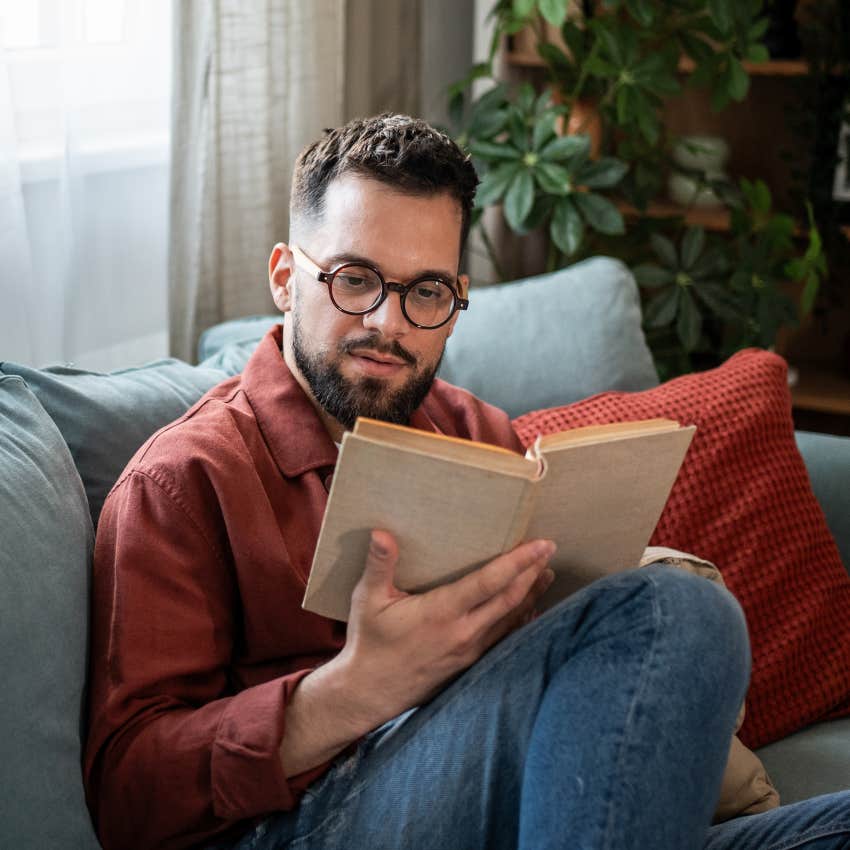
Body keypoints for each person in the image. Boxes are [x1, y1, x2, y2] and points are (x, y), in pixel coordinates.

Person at [83, 114, 850, 850]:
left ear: (454, 303)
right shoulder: (183, 480)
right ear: (287, 278)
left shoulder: (478, 433)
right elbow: (126, 796)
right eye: (355, 279)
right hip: (298, 823)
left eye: (426, 293)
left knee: (700, 620)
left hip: (519, 802)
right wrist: (353, 688)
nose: (389, 323)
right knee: (671, 611)